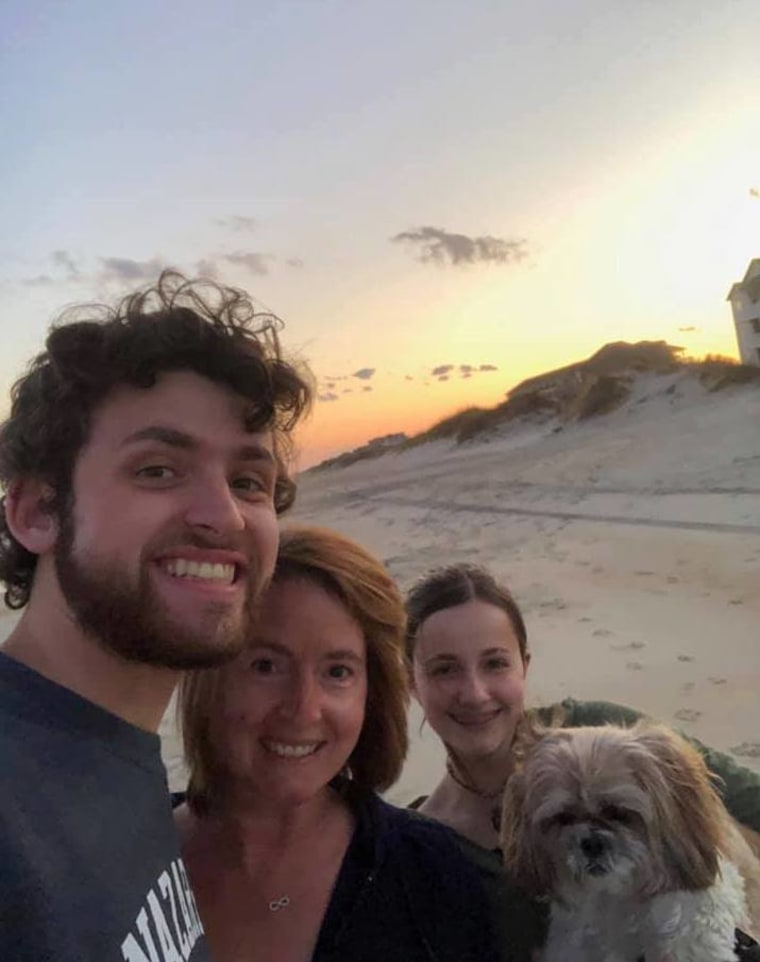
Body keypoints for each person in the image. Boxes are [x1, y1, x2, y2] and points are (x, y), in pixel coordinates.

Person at [0, 270, 311, 961]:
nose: (221, 515)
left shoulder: (120, 760)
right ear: (37, 512)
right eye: (158, 470)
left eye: (248, 482)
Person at [173, 525, 511, 962]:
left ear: (371, 695)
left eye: (337, 672)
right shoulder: (120, 857)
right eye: (266, 665)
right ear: (208, 675)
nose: (303, 709)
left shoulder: (432, 875)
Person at [405, 563, 760, 854]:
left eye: (495, 664)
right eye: (445, 670)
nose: (475, 693)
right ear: (410, 683)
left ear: (524, 666)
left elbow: (743, 794)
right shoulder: (420, 842)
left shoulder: (600, 736)